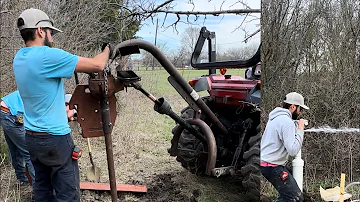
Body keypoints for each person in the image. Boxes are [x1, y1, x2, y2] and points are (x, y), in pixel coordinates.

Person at [13, 8, 110, 202]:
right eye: (50, 32)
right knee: (67, 194)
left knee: (42, 189)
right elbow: (98, 65)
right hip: (55, 140)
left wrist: (62, 111)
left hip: (32, 137)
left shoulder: (19, 58)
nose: (52, 38)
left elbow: (41, 94)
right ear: (40, 30)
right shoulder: (47, 56)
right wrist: (108, 49)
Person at [260, 92, 309, 202]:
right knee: (293, 198)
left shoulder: (277, 117)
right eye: (300, 109)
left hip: (267, 164)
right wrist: (300, 129)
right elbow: (292, 150)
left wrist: (295, 124)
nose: (300, 112)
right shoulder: (287, 122)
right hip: (272, 166)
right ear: (293, 106)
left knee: (291, 191)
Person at [0, 91, 35, 186]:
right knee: (30, 153)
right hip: (12, 114)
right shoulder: (51, 101)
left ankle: (22, 179)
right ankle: (40, 192)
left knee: (15, 148)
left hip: (5, 109)